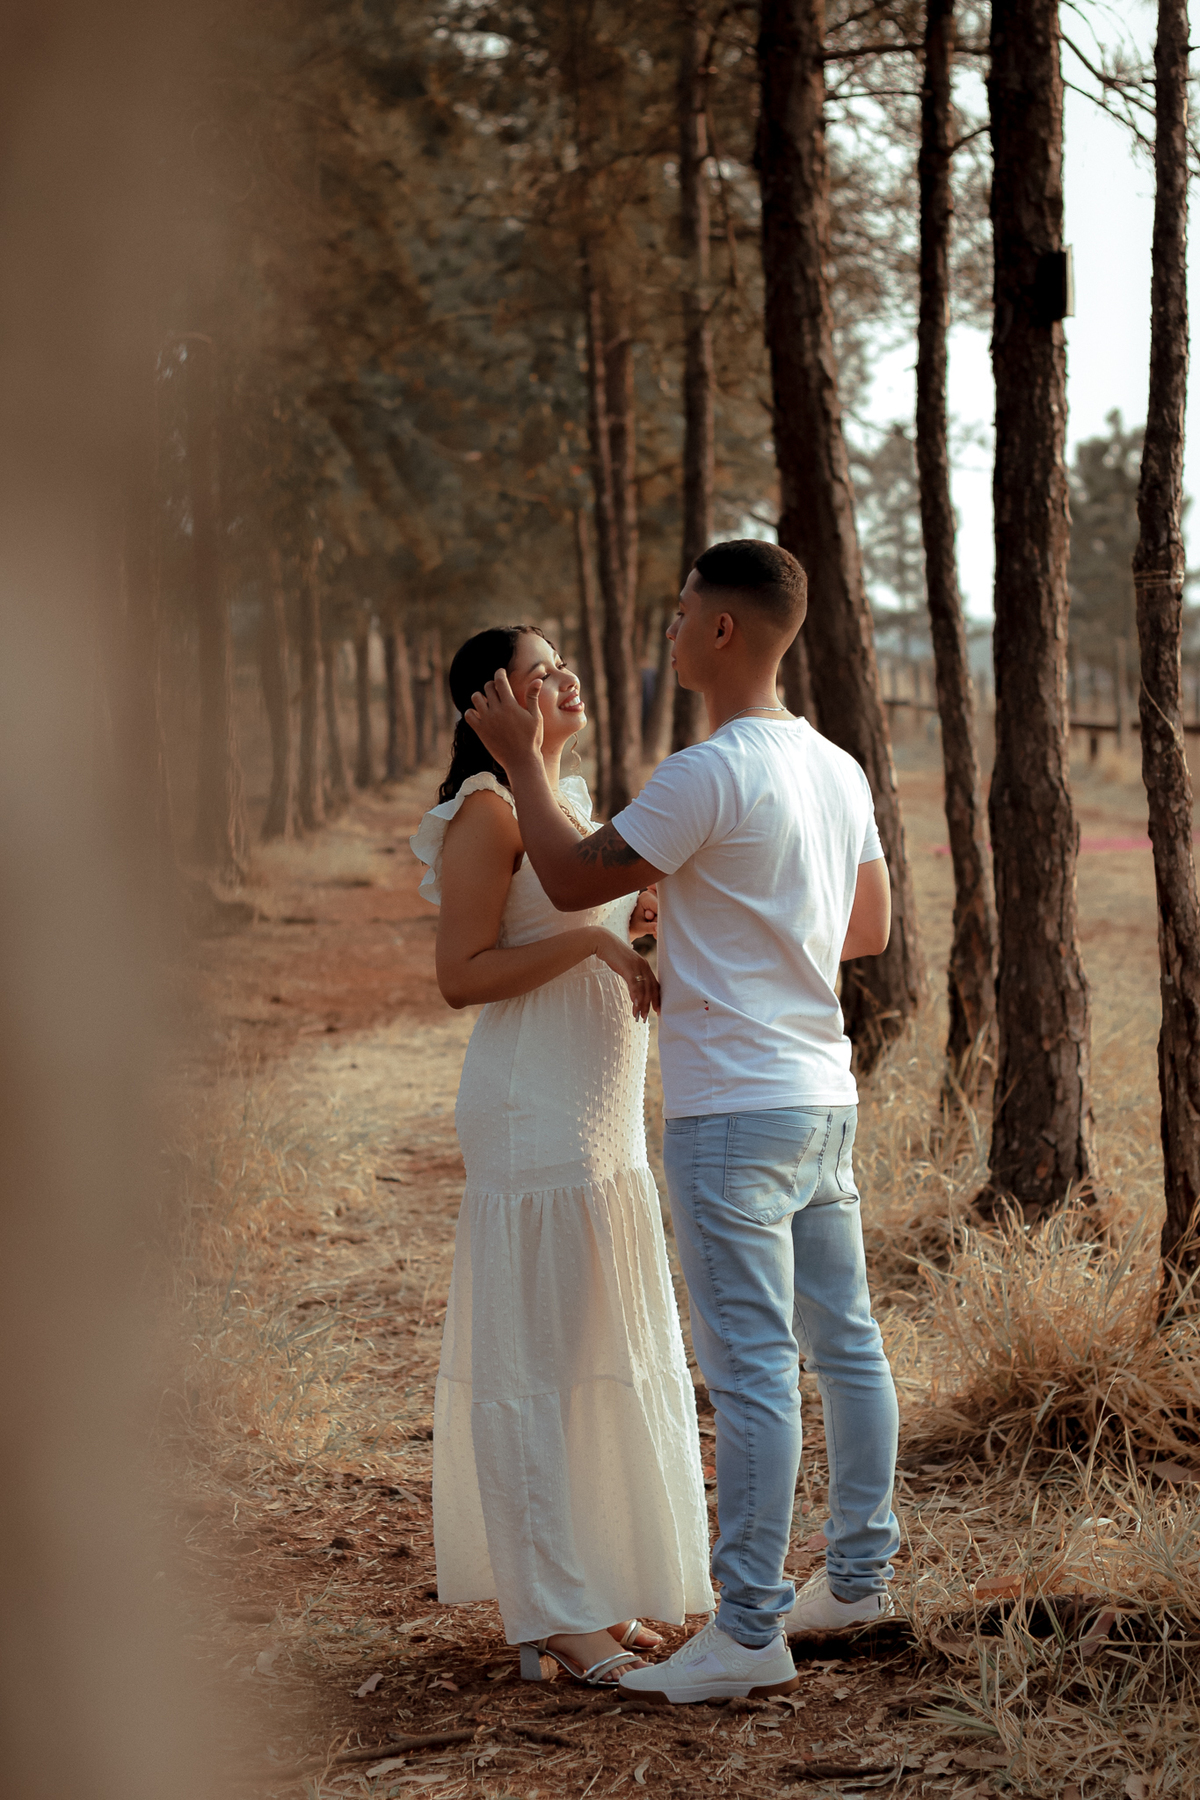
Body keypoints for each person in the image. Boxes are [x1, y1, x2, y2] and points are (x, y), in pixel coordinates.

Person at [464, 540, 900, 1706]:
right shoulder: (837, 768)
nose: (666, 632)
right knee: (846, 1343)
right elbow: (865, 930)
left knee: (753, 1372)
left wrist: (520, 761)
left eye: (680, 614)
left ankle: (748, 1630)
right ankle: (858, 1575)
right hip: (822, 1094)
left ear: (721, 633)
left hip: (732, 1112)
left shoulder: (705, 773)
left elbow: (564, 878)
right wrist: (730, 917)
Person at [410, 624, 714, 1689]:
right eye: (539, 672)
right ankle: (553, 1613)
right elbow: (461, 974)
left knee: (595, 1349)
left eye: (561, 662)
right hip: (532, 1106)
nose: (566, 679)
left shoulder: (561, 796)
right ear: (490, 703)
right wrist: (590, 942)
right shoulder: (486, 811)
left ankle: (597, 1588)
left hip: (601, 1116)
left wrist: (631, 931)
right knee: (539, 1365)